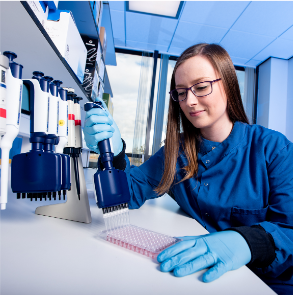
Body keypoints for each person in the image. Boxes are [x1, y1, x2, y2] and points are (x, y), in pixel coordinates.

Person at [83, 43, 293, 295]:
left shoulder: (272, 148)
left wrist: (247, 242)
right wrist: (115, 152)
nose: (189, 101)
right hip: (200, 278)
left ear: (228, 84)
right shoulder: (176, 151)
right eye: (181, 93)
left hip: (270, 282)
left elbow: (289, 231)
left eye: (201, 87)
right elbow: (128, 193)